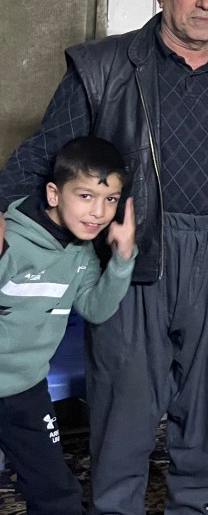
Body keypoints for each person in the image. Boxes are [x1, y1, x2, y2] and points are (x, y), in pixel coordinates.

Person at [0, 0, 208, 515]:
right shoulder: (103, 68)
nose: (204, 2)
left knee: (207, 404)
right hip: (131, 251)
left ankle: (194, 505)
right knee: (126, 401)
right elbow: (42, 155)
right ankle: (116, 507)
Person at [0, 136, 136, 515]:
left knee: (58, 496)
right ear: (54, 193)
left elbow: (96, 308)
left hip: (27, 390)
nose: (98, 212)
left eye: (110, 199)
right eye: (86, 196)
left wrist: (123, 258)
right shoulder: (11, 239)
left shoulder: (81, 253)